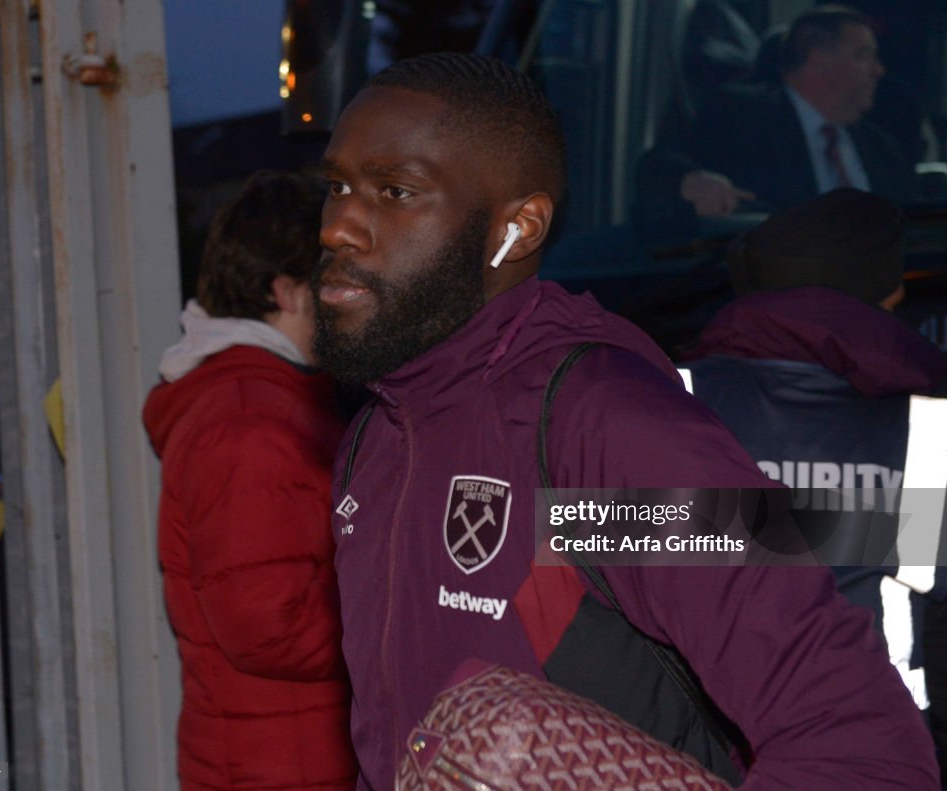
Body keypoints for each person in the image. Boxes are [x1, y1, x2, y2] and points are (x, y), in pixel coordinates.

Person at [312, 52, 937, 789]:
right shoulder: (377, 436)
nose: (340, 226)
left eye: (395, 190)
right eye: (337, 187)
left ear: (518, 227)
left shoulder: (594, 428)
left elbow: (855, 741)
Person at [678, 186, 947, 756]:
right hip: (876, 756)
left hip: (701, 753)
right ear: (890, 297)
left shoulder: (671, 398)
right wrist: (873, 528)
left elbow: (579, 537)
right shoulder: (929, 427)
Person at [143, 171, 356, 790]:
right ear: (287, 291)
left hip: (283, 756)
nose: (351, 299)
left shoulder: (269, 400)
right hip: (288, 766)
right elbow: (270, 628)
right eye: (336, 281)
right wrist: (409, 607)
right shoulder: (250, 420)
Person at [636, 5, 913, 218]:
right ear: (817, 58)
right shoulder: (740, 115)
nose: (878, 70)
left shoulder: (884, 149)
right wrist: (693, 181)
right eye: (864, 55)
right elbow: (658, 165)